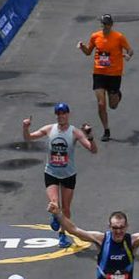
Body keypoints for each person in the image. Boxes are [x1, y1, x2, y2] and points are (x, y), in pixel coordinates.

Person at [23, 102, 97, 247]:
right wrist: (25, 127)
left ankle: (62, 234)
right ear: (56, 116)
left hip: (68, 174)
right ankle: (55, 216)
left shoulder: (75, 132)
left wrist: (90, 136)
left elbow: (92, 150)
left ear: (68, 115)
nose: (61, 116)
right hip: (51, 172)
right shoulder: (49, 129)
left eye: (64, 113)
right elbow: (29, 137)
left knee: (66, 208)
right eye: (59, 114)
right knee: (54, 204)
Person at [79, 15, 132, 139]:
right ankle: (106, 130)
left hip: (114, 74)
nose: (105, 26)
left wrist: (128, 55)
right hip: (99, 73)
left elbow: (130, 50)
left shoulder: (118, 37)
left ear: (111, 25)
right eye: (103, 24)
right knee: (101, 103)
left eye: (107, 24)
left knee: (113, 106)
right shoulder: (95, 36)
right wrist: (82, 47)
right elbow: (88, 52)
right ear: (101, 24)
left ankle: (117, 95)